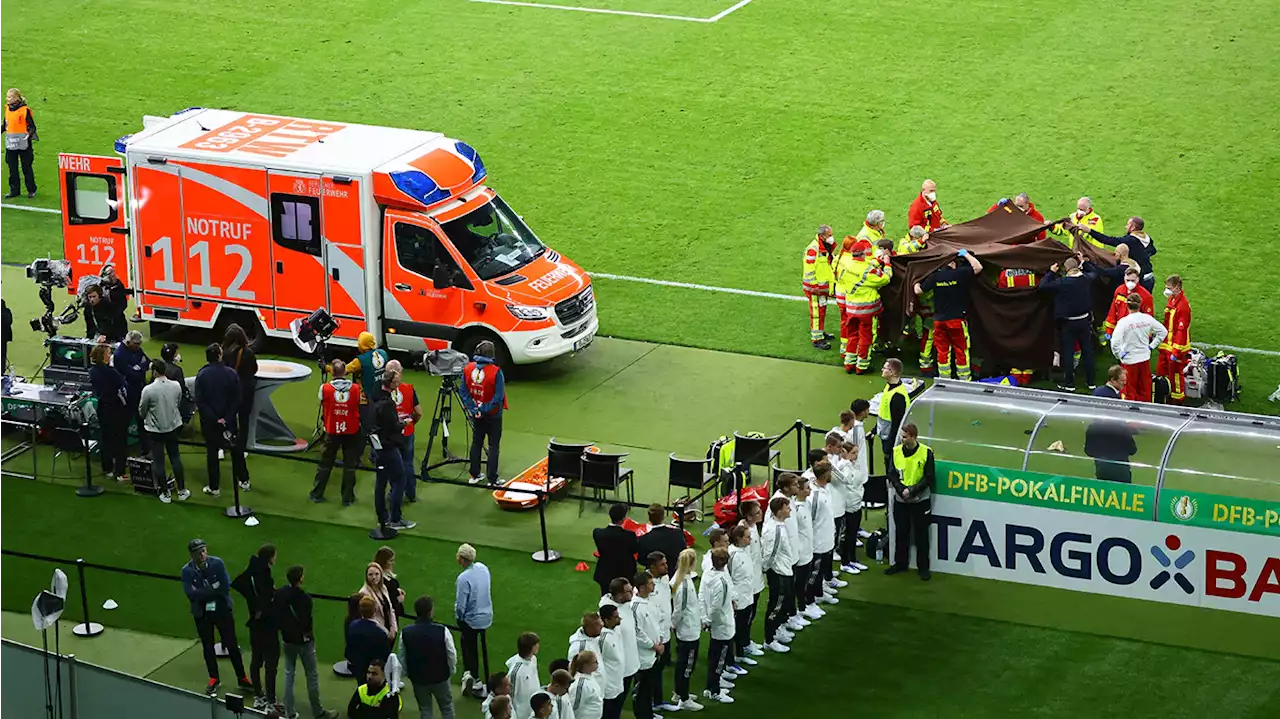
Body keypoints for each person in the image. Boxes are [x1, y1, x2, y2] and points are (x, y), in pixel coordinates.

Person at [181, 539, 251, 696]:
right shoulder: (186, 571)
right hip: (202, 613)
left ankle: (242, 677)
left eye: (204, 550)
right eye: (198, 552)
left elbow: (225, 586)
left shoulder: (217, 563)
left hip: (221, 609)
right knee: (208, 646)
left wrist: (202, 592)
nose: (202, 554)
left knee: (232, 644)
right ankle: (214, 678)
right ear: (192, 554)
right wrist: (213, 589)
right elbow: (190, 594)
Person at [275, 565, 340, 719]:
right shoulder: (305, 598)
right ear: (301, 578)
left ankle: (289, 712)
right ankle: (318, 712)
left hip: (288, 640)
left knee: (289, 674)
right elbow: (306, 622)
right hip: (304, 642)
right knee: (311, 675)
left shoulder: (280, 593)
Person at [915, 249, 983, 381]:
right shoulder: (960, 274)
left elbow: (918, 290)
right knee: (961, 349)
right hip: (956, 321)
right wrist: (966, 254)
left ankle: (944, 379)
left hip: (939, 321)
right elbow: (978, 267)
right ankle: (964, 379)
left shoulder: (935, 277)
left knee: (942, 351)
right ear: (952, 263)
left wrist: (915, 279)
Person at [232, 544, 280, 712]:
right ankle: (271, 701)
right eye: (274, 555)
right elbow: (267, 600)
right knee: (271, 664)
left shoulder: (252, 573)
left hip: (255, 625)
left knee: (256, 660)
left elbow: (239, 584)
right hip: (267, 626)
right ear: (270, 557)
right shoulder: (264, 577)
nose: (276, 558)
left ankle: (259, 696)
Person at [1040, 256, 1100, 391]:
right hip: (1084, 321)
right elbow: (1095, 273)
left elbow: (1042, 286)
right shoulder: (1085, 279)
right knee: (1087, 351)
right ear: (1077, 267)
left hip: (1068, 323)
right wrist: (1084, 262)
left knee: (1068, 353)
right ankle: (1091, 382)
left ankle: (1069, 384)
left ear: (1066, 269)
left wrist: (1051, 272)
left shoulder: (1062, 283)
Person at [885, 424, 935, 581]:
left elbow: (929, 476)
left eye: (905, 436)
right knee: (901, 533)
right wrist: (902, 490)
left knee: (921, 536)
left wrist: (912, 490)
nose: (901, 439)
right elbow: (891, 474)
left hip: (920, 500)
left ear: (913, 436)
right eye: (901, 436)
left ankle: (923, 568)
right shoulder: (896, 452)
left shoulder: (926, 452)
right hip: (901, 499)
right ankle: (900, 563)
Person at [311, 359, 365, 505]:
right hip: (351, 431)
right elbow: (358, 404)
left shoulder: (325, 388)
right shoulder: (355, 389)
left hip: (332, 431)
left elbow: (321, 402)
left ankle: (317, 493)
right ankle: (348, 498)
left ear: (332, 372)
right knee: (349, 465)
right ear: (344, 373)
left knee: (325, 464)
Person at [837, 242, 892, 374]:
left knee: (852, 335)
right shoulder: (868, 270)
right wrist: (887, 264)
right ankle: (862, 366)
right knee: (865, 337)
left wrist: (877, 261)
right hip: (866, 310)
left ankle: (849, 363)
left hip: (850, 308)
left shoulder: (846, 265)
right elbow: (886, 278)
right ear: (863, 254)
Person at [398, 596, 456, 719]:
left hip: (419, 679)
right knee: (447, 708)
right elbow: (451, 654)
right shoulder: (442, 630)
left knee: (425, 710)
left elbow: (402, 657)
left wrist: (407, 673)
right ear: (431, 611)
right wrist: (450, 671)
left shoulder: (406, 632)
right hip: (440, 677)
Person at [195, 343, 241, 498]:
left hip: (210, 423)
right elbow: (236, 399)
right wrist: (226, 417)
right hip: (229, 421)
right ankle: (244, 480)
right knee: (236, 451)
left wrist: (215, 418)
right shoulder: (231, 373)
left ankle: (214, 487)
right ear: (219, 355)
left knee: (212, 454)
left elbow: (200, 402)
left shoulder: (202, 375)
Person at [371, 373, 416, 531]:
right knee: (399, 480)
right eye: (396, 381)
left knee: (380, 483)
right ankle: (395, 519)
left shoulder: (375, 396)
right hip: (388, 447)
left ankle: (382, 518)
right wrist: (404, 423)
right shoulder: (388, 404)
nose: (399, 383)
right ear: (391, 383)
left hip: (378, 446)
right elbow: (393, 427)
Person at [140, 358, 187, 503]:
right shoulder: (176, 385)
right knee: (175, 458)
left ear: (154, 371)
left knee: (158, 461)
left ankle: (165, 493)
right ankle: (182, 491)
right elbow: (178, 403)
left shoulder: (148, 389)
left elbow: (142, 410)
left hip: (156, 430)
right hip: (173, 427)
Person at [461, 340, 507, 485]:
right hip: (493, 414)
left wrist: (474, 409)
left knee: (476, 442)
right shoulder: (496, 372)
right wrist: (484, 409)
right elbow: (498, 396)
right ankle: (492, 479)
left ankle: (474, 474)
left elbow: (463, 391)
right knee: (493, 446)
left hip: (476, 413)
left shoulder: (467, 368)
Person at [1086, 367, 1140, 483]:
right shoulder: (1112, 398)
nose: (1124, 383)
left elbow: (1089, 451)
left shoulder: (1098, 392)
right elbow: (1132, 449)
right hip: (1120, 467)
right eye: (1122, 381)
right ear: (1113, 380)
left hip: (1100, 464)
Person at [1111, 294, 1168, 402]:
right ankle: (1145, 413)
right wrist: (1151, 346)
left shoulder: (1123, 322)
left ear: (1127, 306)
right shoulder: (1147, 319)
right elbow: (1163, 332)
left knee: (1128, 390)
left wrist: (1118, 354)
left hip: (1129, 361)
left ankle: (1129, 415)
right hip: (1144, 358)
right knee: (1145, 389)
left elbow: (1115, 342)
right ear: (1140, 305)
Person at [641, 553, 679, 714]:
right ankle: (647, 707)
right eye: (662, 564)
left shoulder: (664, 579)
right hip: (654, 638)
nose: (666, 566)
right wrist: (655, 641)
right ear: (652, 567)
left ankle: (657, 702)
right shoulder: (645, 585)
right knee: (648, 675)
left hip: (665, 633)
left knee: (658, 671)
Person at [222, 324, 257, 491]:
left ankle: (224, 445)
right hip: (245, 389)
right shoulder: (247, 352)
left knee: (228, 417)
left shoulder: (224, 352)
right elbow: (254, 369)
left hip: (229, 389)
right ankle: (240, 449)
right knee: (244, 419)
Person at [456, 543, 494, 698]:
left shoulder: (463, 578)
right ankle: (475, 676)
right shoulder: (483, 568)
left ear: (461, 559)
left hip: (472, 620)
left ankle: (473, 677)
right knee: (478, 645)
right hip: (487, 615)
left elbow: (461, 605)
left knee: (468, 646)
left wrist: (459, 617)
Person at [667, 549, 703, 711]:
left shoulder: (678, 578)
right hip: (688, 631)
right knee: (687, 665)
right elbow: (679, 610)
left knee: (682, 663)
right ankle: (684, 698)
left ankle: (678, 692)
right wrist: (673, 625)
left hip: (686, 628)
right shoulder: (685, 585)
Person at [89, 344, 130, 481]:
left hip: (102, 407)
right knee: (120, 440)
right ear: (103, 356)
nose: (110, 355)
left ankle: (107, 469)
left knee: (106, 439)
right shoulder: (111, 372)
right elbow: (123, 387)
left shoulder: (92, 371)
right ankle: (120, 471)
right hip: (116, 408)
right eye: (108, 353)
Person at [701, 547, 736, 705]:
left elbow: (701, 596)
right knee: (719, 658)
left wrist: (705, 618)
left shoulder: (707, 574)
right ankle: (715, 691)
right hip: (722, 624)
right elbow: (718, 606)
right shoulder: (723, 582)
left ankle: (710, 687)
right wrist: (709, 620)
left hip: (714, 622)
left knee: (713, 655)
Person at [760, 495, 795, 653]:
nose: (790, 510)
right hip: (778, 572)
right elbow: (770, 554)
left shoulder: (779, 525)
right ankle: (769, 639)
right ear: (780, 511)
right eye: (787, 507)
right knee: (776, 605)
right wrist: (766, 568)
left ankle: (777, 630)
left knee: (783, 603)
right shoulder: (774, 530)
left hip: (785, 569)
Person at [1085, 216, 1158, 291]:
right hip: (1149, 276)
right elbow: (1153, 251)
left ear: (1133, 227)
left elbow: (1109, 240)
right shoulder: (1146, 237)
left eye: (1128, 224)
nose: (1126, 227)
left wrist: (1090, 231)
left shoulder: (1130, 240)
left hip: (1140, 278)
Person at [385, 360, 423, 502]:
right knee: (408, 463)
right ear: (400, 372)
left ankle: (394, 493)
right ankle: (411, 494)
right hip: (406, 432)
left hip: (390, 433)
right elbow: (418, 412)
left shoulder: (381, 390)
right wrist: (411, 423)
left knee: (392, 464)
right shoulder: (409, 388)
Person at [597, 579, 638, 707]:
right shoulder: (610, 614)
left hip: (630, 662)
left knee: (620, 702)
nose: (633, 593)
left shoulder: (626, 603)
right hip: (618, 670)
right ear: (620, 596)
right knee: (612, 706)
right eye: (629, 591)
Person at [736, 500, 767, 659]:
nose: (761, 513)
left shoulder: (753, 527)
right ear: (748, 517)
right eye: (757, 512)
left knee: (751, 615)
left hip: (756, 579)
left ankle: (746, 641)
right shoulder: (744, 532)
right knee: (745, 617)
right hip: (749, 584)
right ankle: (742, 646)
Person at [628, 572, 661, 719]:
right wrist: (653, 645)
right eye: (650, 583)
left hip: (653, 653)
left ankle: (648, 714)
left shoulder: (649, 600)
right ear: (641, 587)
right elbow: (636, 632)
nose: (653, 585)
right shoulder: (635, 606)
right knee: (641, 690)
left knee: (648, 688)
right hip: (642, 656)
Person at [1157, 275, 1193, 404]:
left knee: (1176, 375)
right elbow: (1167, 322)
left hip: (1177, 347)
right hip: (1168, 344)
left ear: (1177, 288)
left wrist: (1176, 352)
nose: (1166, 290)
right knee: (1162, 370)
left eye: (1169, 288)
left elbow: (1181, 331)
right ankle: (1164, 392)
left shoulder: (1182, 306)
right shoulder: (1172, 300)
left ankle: (1177, 400)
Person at [113, 330, 151, 452]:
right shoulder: (119, 355)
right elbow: (133, 375)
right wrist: (140, 368)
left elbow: (148, 362)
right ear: (129, 342)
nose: (139, 346)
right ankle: (120, 449)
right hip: (128, 394)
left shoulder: (136, 350)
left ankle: (144, 448)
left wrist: (139, 368)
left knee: (142, 420)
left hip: (139, 390)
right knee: (125, 422)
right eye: (137, 344)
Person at [726, 525, 758, 667]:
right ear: (738, 538)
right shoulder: (732, 554)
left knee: (744, 626)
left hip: (747, 596)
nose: (750, 539)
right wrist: (733, 598)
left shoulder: (745, 551)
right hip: (738, 599)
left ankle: (741, 653)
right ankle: (733, 657)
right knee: (736, 629)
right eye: (747, 537)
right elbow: (729, 577)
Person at [808, 464, 838, 608]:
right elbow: (811, 519)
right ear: (825, 475)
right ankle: (813, 598)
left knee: (821, 569)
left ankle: (820, 592)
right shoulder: (815, 495)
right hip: (817, 541)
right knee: (815, 571)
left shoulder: (825, 489)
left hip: (826, 538)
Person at [802, 224, 837, 349]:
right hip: (815, 289)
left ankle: (820, 333)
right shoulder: (813, 249)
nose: (831, 238)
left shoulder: (823, 247)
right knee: (817, 313)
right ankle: (817, 339)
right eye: (829, 235)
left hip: (822, 288)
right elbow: (809, 269)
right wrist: (813, 286)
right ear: (822, 236)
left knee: (822, 311)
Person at [592, 504, 639, 596]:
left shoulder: (598, 533)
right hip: (625, 573)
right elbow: (635, 550)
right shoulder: (629, 535)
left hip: (605, 573)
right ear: (623, 518)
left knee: (606, 598)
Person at [791, 478, 819, 623]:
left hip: (809, 548)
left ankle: (807, 604)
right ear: (800, 491)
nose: (810, 490)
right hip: (801, 552)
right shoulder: (795, 509)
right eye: (807, 488)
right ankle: (800, 609)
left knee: (807, 579)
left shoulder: (807, 504)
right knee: (800, 583)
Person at [347, 596, 392, 684]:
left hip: (358, 666)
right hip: (375, 670)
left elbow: (350, 648)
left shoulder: (353, 626)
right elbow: (386, 655)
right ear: (374, 611)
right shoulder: (380, 632)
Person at [876, 359, 910, 475]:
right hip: (884, 432)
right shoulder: (889, 387)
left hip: (891, 438)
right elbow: (883, 411)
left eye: (885, 368)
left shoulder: (898, 397)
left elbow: (897, 424)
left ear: (893, 373)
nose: (882, 369)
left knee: (892, 468)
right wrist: (875, 429)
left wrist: (890, 446)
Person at [1102, 267, 1154, 341]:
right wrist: (1109, 330)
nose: (1130, 283)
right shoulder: (1119, 290)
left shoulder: (1145, 296)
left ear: (1138, 279)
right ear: (1124, 278)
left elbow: (1148, 317)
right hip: (1120, 329)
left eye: (1132, 280)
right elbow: (1113, 311)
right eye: (1127, 280)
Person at [3, 88, 37, 199]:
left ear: (17, 98)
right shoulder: (7, 109)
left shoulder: (25, 110)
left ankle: (31, 190)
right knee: (12, 168)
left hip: (24, 145)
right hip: (11, 144)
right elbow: (5, 125)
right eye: (7, 97)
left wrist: (28, 135)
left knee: (26, 167)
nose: (7, 99)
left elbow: (32, 126)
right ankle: (14, 190)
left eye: (9, 97)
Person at [635, 504, 684, 578]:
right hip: (675, 574)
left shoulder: (644, 539)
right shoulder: (677, 533)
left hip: (655, 576)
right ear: (663, 516)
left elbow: (641, 560)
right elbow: (684, 553)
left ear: (649, 518)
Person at [595, 606, 626, 719]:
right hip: (608, 687)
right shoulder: (602, 638)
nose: (619, 619)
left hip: (618, 683)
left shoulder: (615, 630)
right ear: (606, 620)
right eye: (616, 617)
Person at [360, 563, 399, 642]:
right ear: (366, 576)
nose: (374, 577)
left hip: (388, 630)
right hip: (375, 633)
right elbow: (370, 617)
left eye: (377, 574)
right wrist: (385, 632)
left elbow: (391, 609)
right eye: (370, 575)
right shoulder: (364, 593)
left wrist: (394, 629)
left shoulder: (383, 588)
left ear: (381, 574)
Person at [505, 633, 541, 719]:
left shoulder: (533, 659)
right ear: (530, 647)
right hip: (522, 713)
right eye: (536, 644)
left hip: (533, 707)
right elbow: (511, 696)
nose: (538, 646)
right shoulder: (516, 672)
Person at [158, 342, 194, 425]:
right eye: (176, 353)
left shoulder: (158, 366)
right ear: (173, 355)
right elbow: (182, 390)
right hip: (173, 402)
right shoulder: (177, 370)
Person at [569, 651, 603, 719]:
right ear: (586, 665)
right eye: (595, 662)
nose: (597, 663)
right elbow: (574, 708)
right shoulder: (580, 685)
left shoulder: (590, 677)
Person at [374, 547, 407, 618]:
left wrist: (397, 591)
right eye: (390, 561)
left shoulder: (379, 576)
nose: (393, 563)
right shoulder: (380, 580)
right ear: (384, 562)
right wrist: (398, 600)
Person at [0, 296, 11, 372]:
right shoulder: (6, 311)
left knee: (2, 356)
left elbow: (8, 321)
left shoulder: (5, 312)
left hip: (2, 337)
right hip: (3, 337)